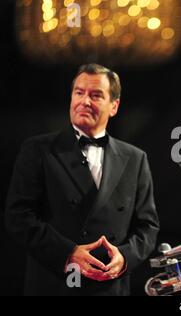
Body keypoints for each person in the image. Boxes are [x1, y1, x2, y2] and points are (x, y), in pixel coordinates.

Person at [5, 63, 159, 296]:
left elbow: (148, 227)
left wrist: (124, 257)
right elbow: (18, 217)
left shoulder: (135, 158)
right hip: (54, 284)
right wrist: (68, 252)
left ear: (114, 106)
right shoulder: (38, 150)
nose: (85, 101)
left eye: (96, 95)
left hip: (110, 286)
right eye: (79, 92)